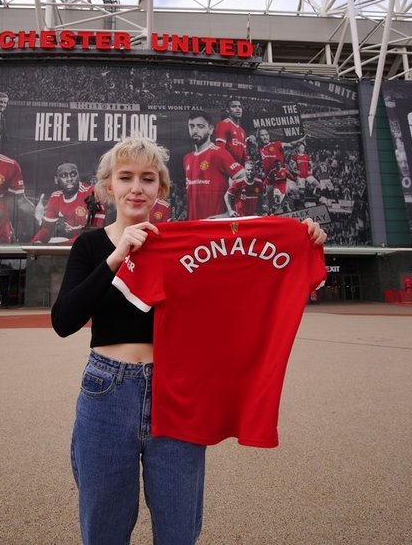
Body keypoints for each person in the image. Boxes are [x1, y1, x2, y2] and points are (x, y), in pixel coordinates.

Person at [51, 135, 325, 543]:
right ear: (109, 186)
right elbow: (65, 320)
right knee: (103, 525)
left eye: (147, 179)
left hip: (177, 389)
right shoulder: (90, 245)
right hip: (107, 391)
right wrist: (117, 256)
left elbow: (243, 265)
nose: (136, 187)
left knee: (179, 529)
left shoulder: (181, 245)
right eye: (126, 177)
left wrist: (301, 237)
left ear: (160, 189)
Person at [183, 110, 243, 220]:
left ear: (210, 129)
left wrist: (230, 211)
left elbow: (244, 179)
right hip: (194, 225)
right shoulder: (187, 158)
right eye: (191, 126)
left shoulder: (219, 153)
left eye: (200, 126)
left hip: (215, 227)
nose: (195, 130)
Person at [31, 162, 104, 244]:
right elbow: (46, 230)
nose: (69, 179)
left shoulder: (92, 194)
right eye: (64, 175)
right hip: (78, 246)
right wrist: (33, 245)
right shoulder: (56, 198)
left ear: (78, 177)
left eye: (73, 174)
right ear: (56, 180)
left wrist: (57, 246)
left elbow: (93, 233)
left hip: (101, 247)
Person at [214, 98, 247, 164]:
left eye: (240, 107)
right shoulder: (223, 124)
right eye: (234, 106)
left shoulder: (242, 131)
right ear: (227, 110)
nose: (238, 109)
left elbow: (244, 154)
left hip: (239, 170)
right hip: (227, 169)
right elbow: (220, 151)